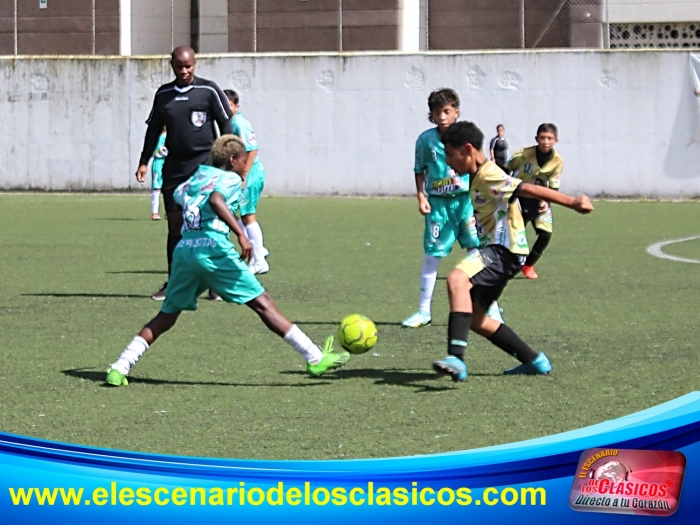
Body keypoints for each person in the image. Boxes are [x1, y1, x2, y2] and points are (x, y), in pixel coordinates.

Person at [106, 135, 350, 386]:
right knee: (263, 303)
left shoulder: (198, 176)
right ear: (233, 159)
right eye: (245, 160)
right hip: (214, 250)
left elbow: (178, 197)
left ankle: (119, 367)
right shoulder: (231, 179)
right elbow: (215, 200)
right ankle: (314, 356)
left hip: (185, 249)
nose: (247, 165)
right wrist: (241, 235)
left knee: (167, 315)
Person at [431, 121, 593, 382]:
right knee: (477, 319)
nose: (449, 162)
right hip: (502, 252)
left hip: (503, 250)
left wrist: (572, 202)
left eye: (451, 154)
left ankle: (456, 358)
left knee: (457, 279)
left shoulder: (489, 174)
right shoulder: (476, 175)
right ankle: (535, 361)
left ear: (468, 150)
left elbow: (526, 188)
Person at [135, 46, 233, 301]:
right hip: (174, 168)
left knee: (208, 224)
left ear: (195, 64)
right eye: (180, 66)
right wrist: (144, 161)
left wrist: (228, 163)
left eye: (188, 66)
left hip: (204, 166)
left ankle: (214, 283)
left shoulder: (209, 90)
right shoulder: (164, 94)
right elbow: (153, 130)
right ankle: (175, 283)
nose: (185, 70)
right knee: (176, 227)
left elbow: (226, 126)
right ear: (172, 66)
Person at [402, 88, 502, 329]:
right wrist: (420, 196)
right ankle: (423, 311)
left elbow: (480, 166)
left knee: (477, 254)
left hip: (466, 203)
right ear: (432, 115)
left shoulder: (465, 138)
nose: (443, 116)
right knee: (431, 256)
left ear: (456, 112)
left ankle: (492, 308)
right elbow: (419, 170)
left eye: (447, 111)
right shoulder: (425, 140)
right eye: (437, 113)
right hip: (439, 206)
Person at [506, 123, 564, 280]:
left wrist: (546, 200)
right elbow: (505, 169)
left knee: (546, 234)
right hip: (519, 199)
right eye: (542, 138)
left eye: (549, 138)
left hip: (540, 200)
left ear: (556, 141)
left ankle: (528, 265)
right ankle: (507, 265)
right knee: (517, 235)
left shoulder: (557, 161)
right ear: (536, 139)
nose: (546, 141)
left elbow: (554, 185)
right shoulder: (523, 154)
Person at [224, 89, 270, 275]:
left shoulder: (238, 123)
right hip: (241, 174)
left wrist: (243, 174)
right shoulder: (229, 122)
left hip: (249, 174)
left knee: (248, 215)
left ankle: (259, 261)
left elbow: (252, 149)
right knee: (235, 213)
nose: (226, 109)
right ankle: (258, 249)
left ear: (236, 106)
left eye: (229, 105)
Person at [149, 127, 167, 220]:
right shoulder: (155, 136)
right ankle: (154, 213)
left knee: (168, 188)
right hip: (158, 163)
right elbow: (153, 151)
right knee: (157, 188)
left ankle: (168, 211)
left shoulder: (173, 134)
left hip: (169, 162)